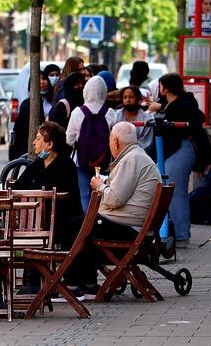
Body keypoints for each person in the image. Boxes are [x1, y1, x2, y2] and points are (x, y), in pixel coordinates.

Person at [74, 121, 162, 299]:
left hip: (127, 229)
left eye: (109, 140)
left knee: (75, 228)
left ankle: (80, 284)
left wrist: (99, 186)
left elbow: (115, 198)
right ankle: (86, 282)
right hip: (134, 226)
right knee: (79, 223)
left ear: (115, 141)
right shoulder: (136, 156)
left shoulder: (131, 160)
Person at [157, 73, 205, 247]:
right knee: (167, 192)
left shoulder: (185, 103)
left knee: (176, 192)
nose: (159, 89)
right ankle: (170, 232)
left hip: (180, 149)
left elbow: (195, 119)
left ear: (167, 87)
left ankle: (182, 234)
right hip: (167, 151)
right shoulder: (164, 103)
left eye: (161, 85)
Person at [66, 76, 117, 213]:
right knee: (103, 192)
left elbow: (69, 140)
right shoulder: (111, 113)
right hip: (105, 161)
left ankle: (85, 224)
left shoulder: (77, 112)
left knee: (84, 194)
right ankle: (99, 220)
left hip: (81, 161)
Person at [10, 71, 53, 159]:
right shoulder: (27, 104)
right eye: (38, 80)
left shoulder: (53, 100)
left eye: (44, 78)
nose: (42, 82)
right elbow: (22, 130)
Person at [116, 86, 154, 155]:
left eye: (131, 97)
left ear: (138, 99)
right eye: (125, 97)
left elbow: (146, 143)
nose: (128, 100)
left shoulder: (148, 119)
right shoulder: (115, 116)